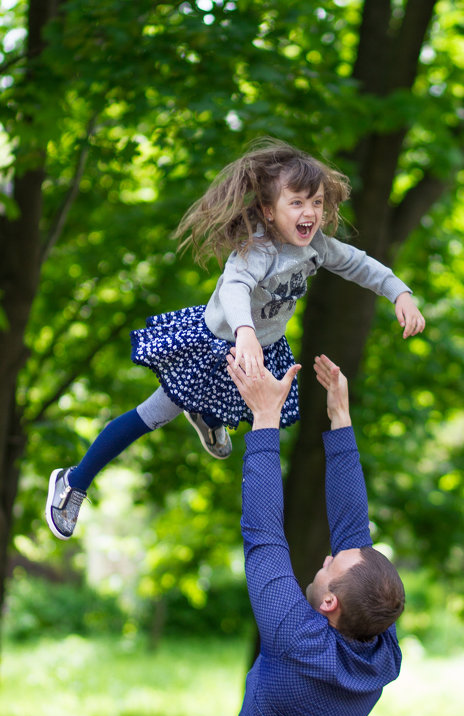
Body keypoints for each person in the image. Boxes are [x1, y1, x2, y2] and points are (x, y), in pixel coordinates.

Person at [45, 138, 425, 540]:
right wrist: (244, 332)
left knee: (262, 413)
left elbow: (359, 264)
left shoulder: (316, 246)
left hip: (260, 349)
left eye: (315, 202)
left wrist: (400, 292)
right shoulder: (256, 249)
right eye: (296, 202)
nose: (309, 212)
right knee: (154, 414)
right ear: (268, 210)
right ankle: (74, 480)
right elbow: (234, 288)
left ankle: (208, 417)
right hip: (218, 346)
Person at [225, 351, 404, 716]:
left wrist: (266, 418)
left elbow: (263, 535)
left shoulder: (294, 641)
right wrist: (339, 419)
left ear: (330, 604)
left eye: (330, 567)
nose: (325, 559)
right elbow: (353, 536)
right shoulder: (380, 652)